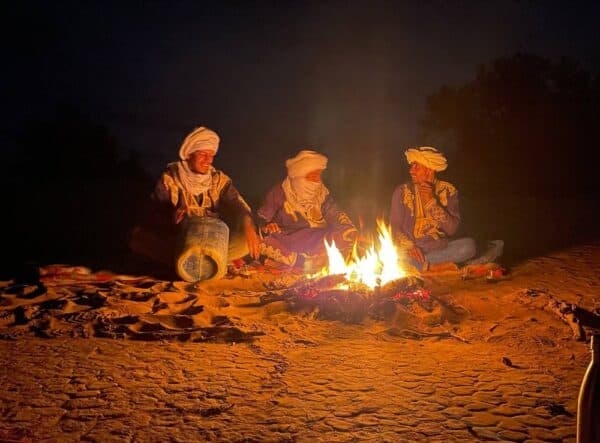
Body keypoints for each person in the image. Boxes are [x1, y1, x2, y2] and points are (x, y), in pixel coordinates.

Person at [129, 126, 260, 274]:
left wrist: (247, 223)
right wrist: (172, 217)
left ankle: (194, 263)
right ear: (189, 154)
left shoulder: (219, 180)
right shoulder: (169, 179)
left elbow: (238, 203)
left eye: (211, 155)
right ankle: (210, 262)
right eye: (203, 154)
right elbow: (152, 215)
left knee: (246, 241)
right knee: (141, 239)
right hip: (181, 241)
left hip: (213, 241)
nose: (208, 160)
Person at [257, 150, 357, 270]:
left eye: (318, 175)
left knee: (341, 237)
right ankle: (302, 262)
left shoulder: (321, 194)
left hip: (315, 239)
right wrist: (267, 226)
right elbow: (261, 218)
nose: (317, 180)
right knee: (260, 239)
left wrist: (347, 229)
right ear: (299, 175)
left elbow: (334, 214)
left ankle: (316, 260)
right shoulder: (279, 192)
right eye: (312, 175)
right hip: (286, 239)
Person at [389, 146, 477, 272]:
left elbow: (452, 229)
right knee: (398, 256)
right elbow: (394, 227)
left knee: (469, 246)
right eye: (412, 166)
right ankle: (431, 266)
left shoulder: (448, 190)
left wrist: (431, 201)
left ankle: (424, 266)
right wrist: (409, 247)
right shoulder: (402, 191)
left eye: (416, 166)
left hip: (440, 250)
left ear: (429, 169)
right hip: (411, 252)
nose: (411, 171)